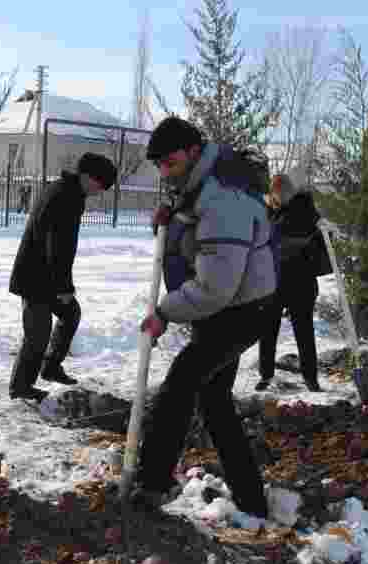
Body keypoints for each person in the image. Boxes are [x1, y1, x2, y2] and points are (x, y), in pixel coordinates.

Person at [135, 116, 276, 519]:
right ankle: (252, 500)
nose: (165, 171)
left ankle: (152, 483)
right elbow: (195, 232)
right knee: (213, 400)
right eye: (159, 165)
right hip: (230, 308)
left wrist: (165, 312)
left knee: (180, 384)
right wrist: (171, 218)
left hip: (239, 311)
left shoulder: (223, 197)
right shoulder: (199, 183)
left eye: (171, 162)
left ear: (194, 151)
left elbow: (215, 287)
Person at [7, 152, 117, 401]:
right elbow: (58, 245)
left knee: (70, 314)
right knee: (38, 333)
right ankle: (20, 387)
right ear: (88, 176)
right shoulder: (65, 197)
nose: (101, 191)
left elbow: (59, 246)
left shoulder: (67, 191)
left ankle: (51, 366)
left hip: (46, 274)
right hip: (35, 276)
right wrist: (63, 287)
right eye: (101, 184)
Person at [255, 174, 325, 393]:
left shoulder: (303, 211)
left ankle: (310, 378)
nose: (274, 198)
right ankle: (267, 374)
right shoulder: (273, 212)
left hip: (298, 282)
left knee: (302, 332)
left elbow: (284, 237)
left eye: (276, 194)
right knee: (269, 331)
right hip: (275, 282)